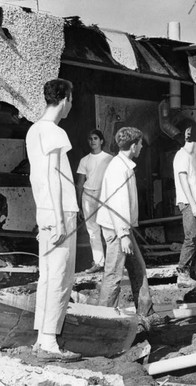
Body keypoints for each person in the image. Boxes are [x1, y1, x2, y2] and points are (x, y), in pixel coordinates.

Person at [25, 78, 82, 362]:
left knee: (47, 276)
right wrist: (60, 220)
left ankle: (41, 338)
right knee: (60, 276)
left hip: (45, 211)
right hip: (60, 212)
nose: (71, 105)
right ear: (64, 99)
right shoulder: (55, 132)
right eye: (71, 99)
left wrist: (46, 216)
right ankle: (49, 342)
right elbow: (53, 178)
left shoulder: (33, 130)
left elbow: (39, 179)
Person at [96, 127, 164, 330]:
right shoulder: (119, 169)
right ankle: (102, 322)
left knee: (137, 268)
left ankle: (146, 312)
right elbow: (118, 205)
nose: (142, 147)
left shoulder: (123, 165)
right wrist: (124, 235)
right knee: (114, 275)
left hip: (121, 228)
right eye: (140, 144)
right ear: (133, 146)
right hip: (117, 230)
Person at [76, 130, 112, 274]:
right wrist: (78, 204)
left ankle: (112, 264)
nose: (93, 141)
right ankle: (98, 263)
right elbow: (80, 184)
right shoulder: (84, 160)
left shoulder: (109, 158)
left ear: (101, 141)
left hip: (104, 195)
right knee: (92, 230)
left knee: (108, 229)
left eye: (96, 138)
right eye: (90, 139)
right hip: (87, 196)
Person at [173, 123, 196, 288]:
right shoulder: (182, 156)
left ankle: (192, 272)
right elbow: (183, 181)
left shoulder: (193, 158)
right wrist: (193, 205)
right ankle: (182, 274)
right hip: (187, 202)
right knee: (191, 237)